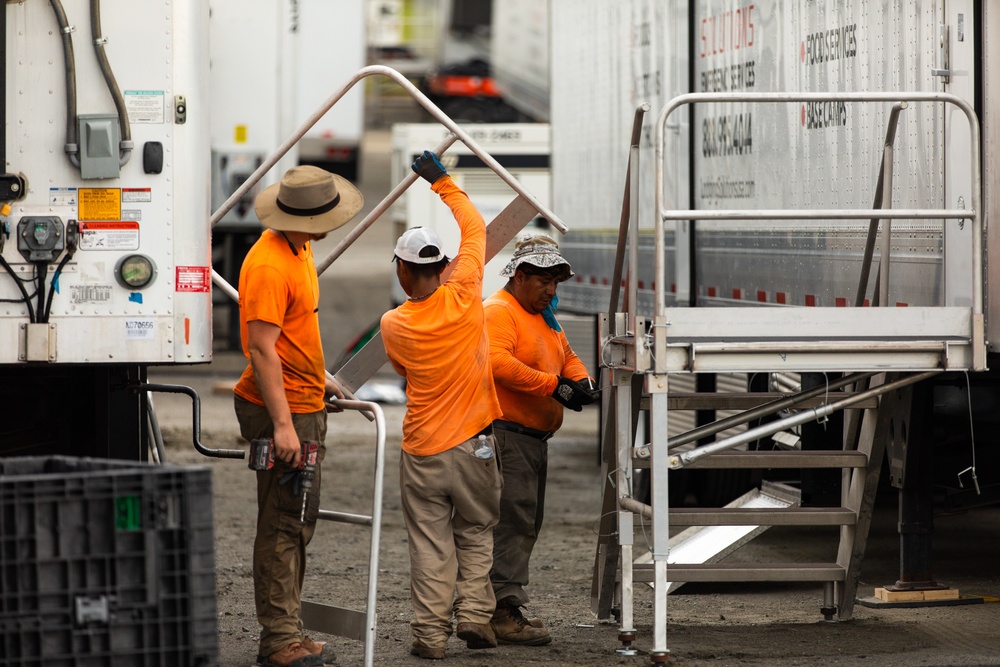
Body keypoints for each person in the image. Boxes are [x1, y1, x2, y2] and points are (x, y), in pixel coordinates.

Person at [233, 165, 362, 667]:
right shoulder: (270, 265)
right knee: (284, 521)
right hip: (281, 406)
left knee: (297, 519)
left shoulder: (297, 246)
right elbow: (262, 349)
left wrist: (319, 374)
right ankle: (279, 639)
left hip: (300, 398)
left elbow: (292, 334)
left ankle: (290, 629)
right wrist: (283, 425)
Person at [380, 150, 503, 660]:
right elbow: (475, 228)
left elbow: (404, 375)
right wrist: (441, 181)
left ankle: (430, 637)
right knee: (475, 532)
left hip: (424, 450)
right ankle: (475, 616)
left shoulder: (394, 325)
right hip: (475, 445)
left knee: (431, 547)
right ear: (440, 265)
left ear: (405, 272)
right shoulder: (466, 290)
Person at [484, 233, 599, 646]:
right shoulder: (499, 311)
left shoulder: (543, 313)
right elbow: (496, 362)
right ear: (520, 275)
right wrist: (553, 387)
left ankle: (502, 606)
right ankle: (500, 610)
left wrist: (580, 379)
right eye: (543, 281)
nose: (551, 290)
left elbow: (567, 354)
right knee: (512, 520)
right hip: (507, 435)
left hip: (532, 439)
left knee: (524, 520)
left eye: (556, 281)